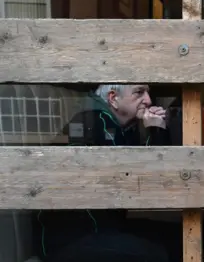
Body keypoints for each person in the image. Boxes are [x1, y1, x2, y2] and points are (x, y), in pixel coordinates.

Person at [37, 85, 171, 262]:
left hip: (99, 231)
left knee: (171, 237)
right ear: (113, 98)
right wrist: (155, 130)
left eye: (148, 93)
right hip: (72, 240)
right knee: (160, 254)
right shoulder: (96, 122)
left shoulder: (112, 125)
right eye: (139, 93)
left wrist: (153, 130)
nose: (148, 100)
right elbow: (141, 182)